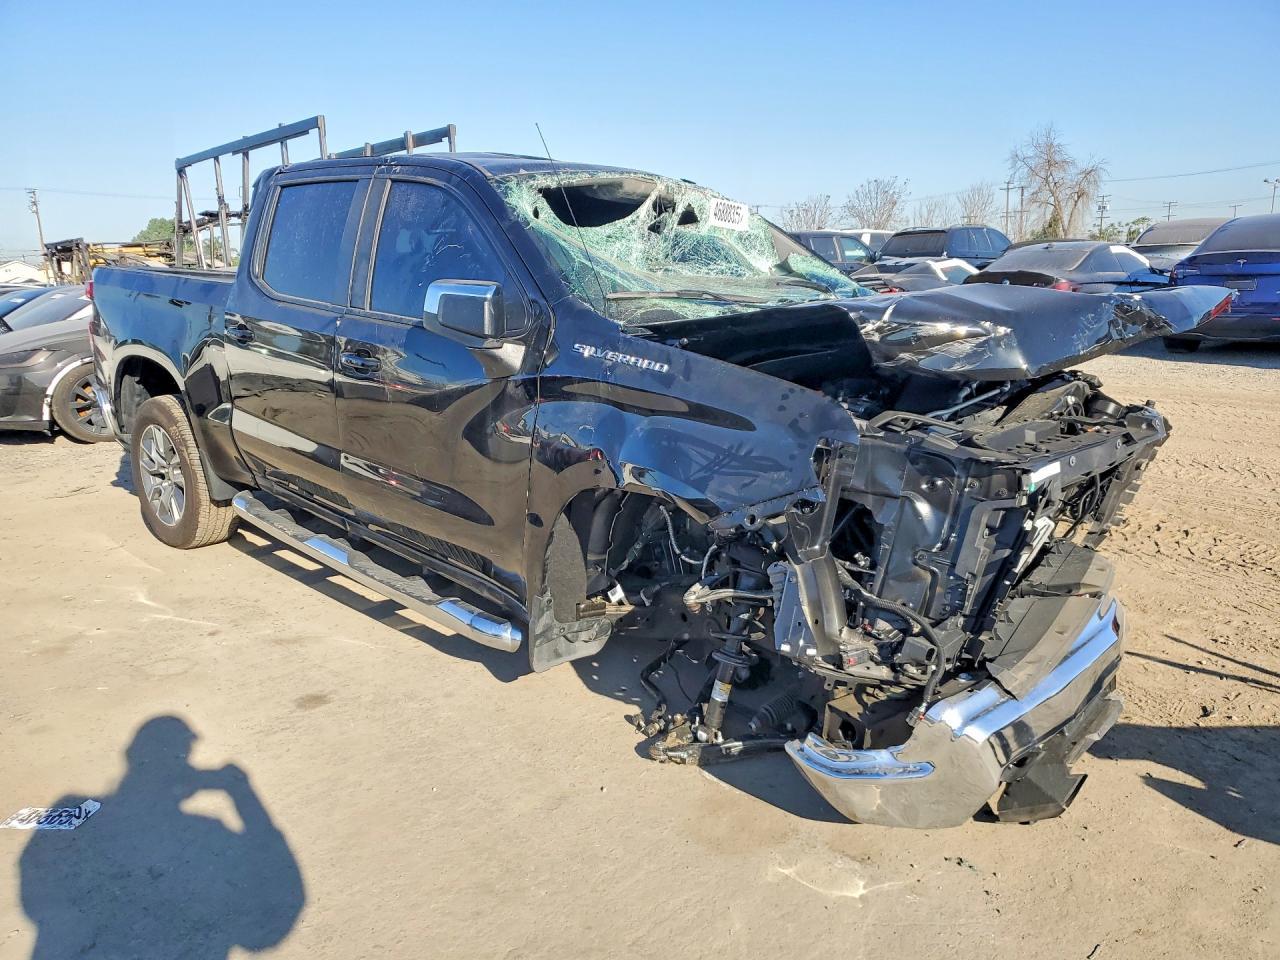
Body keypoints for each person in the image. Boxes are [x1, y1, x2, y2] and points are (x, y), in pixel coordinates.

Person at [19, 715, 304, 959]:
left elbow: (36, 879)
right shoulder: (208, 837)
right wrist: (242, 794)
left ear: (130, 756)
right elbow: (274, 917)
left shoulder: (74, 810)